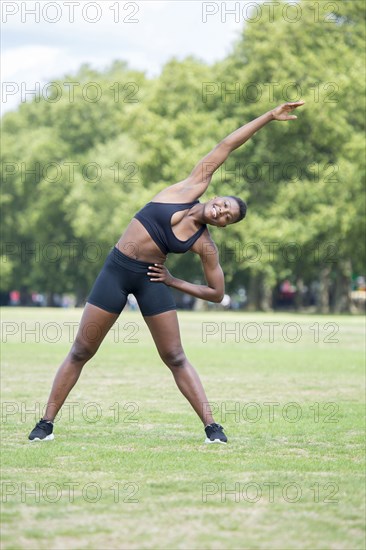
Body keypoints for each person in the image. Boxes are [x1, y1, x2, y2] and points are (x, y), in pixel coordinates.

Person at [29, 101, 305, 444]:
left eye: (227, 218)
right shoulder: (189, 187)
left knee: (174, 356)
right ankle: (45, 425)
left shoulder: (205, 245)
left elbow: (217, 294)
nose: (221, 213)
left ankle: (213, 429)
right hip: (116, 270)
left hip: (151, 280)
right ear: (216, 196)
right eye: (224, 205)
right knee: (81, 351)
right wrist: (269, 116)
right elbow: (227, 145)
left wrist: (174, 281)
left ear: (225, 224)